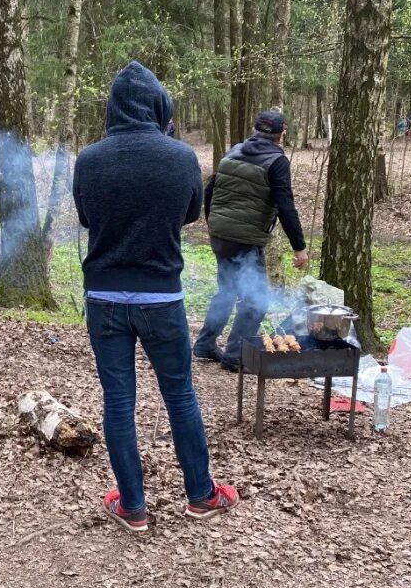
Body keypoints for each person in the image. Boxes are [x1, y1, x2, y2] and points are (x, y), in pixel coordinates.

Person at [72, 61, 239, 533]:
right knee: (180, 395)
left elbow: (86, 217)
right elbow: (190, 213)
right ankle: (201, 496)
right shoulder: (181, 157)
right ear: (158, 106)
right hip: (162, 297)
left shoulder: (89, 159)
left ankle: (133, 506)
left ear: (113, 107)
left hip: (103, 297)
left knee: (118, 401)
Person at [193, 109, 309, 371]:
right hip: (245, 238)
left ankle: (205, 344)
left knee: (227, 290)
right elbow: (285, 205)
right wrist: (299, 247)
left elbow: (210, 190)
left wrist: (214, 224)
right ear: (281, 134)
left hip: (220, 233)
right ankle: (235, 355)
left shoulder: (234, 151)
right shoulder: (277, 161)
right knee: (257, 300)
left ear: (255, 130)